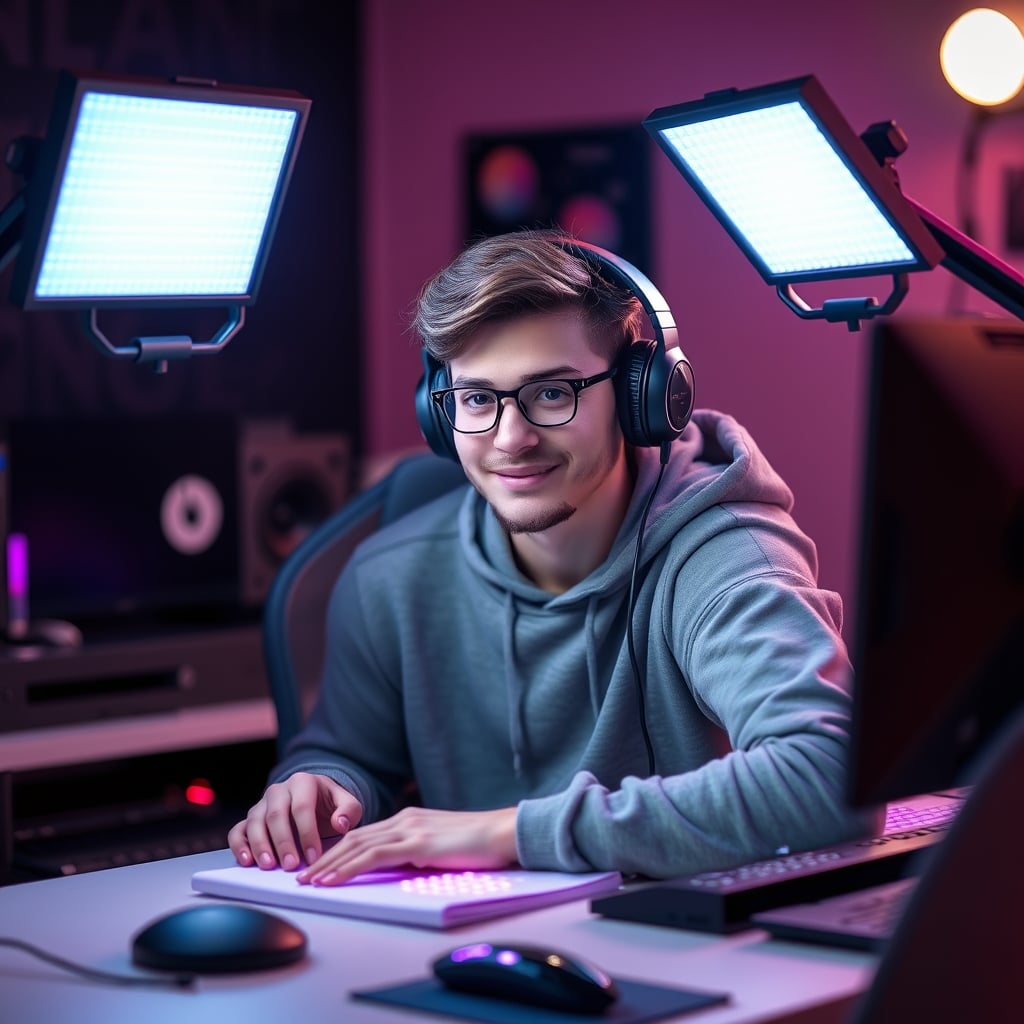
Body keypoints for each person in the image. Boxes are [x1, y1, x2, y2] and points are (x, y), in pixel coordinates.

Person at [228, 228, 871, 886]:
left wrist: (511, 832)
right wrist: (321, 788)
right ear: (439, 412)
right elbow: (349, 755)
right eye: (477, 398)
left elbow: (831, 775)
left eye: (553, 393)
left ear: (641, 396)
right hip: (464, 937)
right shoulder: (389, 576)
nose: (512, 438)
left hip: (672, 935)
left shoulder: (723, 557)